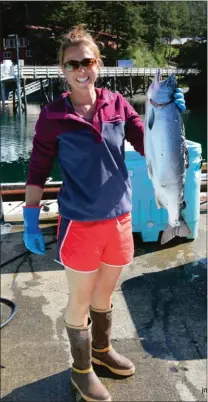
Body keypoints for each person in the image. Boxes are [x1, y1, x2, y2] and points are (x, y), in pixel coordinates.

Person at [23, 24, 186, 402]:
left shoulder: (117, 104)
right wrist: (31, 217)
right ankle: (81, 371)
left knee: (105, 293)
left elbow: (150, 146)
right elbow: (37, 169)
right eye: (73, 63)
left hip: (120, 219)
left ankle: (101, 350)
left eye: (89, 61)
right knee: (80, 300)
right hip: (80, 223)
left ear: (99, 64)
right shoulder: (52, 116)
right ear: (62, 69)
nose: (82, 69)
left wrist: (170, 121)